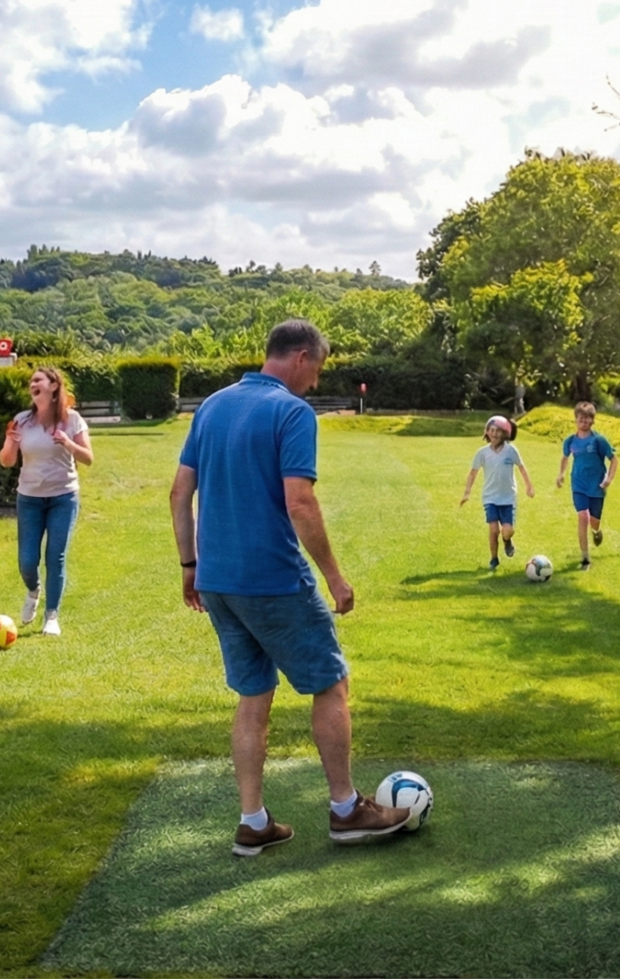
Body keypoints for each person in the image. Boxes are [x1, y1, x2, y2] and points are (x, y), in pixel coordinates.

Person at [170, 319, 411, 857]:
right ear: (301, 357)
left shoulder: (211, 406)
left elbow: (178, 493)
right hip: (273, 578)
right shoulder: (292, 412)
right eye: (317, 368)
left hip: (219, 582)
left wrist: (190, 566)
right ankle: (347, 809)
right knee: (331, 683)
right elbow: (299, 502)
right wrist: (334, 577)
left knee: (253, 694)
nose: (314, 380)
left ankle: (252, 820)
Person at [0, 365, 93, 637]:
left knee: (56, 555)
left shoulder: (72, 419)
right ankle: (33, 590)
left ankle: (51, 615)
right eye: (31, 381)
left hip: (64, 496)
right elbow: (6, 462)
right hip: (29, 498)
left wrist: (68, 444)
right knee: (27, 561)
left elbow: (88, 458)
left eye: (38, 380)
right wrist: (9, 441)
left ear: (54, 386)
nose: (33, 384)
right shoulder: (21, 421)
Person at [460, 415, 534, 571]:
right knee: (493, 530)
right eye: (491, 430)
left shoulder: (511, 451)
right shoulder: (482, 453)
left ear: (505, 433)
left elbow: (521, 467)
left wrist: (529, 487)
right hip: (490, 497)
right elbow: (473, 473)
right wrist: (467, 493)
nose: (494, 434)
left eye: (498, 431)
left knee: (507, 531)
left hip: (508, 498)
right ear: (487, 432)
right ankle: (494, 559)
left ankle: (507, 540)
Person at [554, 401, 617, 570]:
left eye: (587, 419)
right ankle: (585, 558)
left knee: (594, 522)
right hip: (579, 485)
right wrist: (561, 475)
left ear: (592, 421)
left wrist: (609, 479)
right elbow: (565, 457)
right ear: (576, 419)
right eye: (581, 419)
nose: (584, 422)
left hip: (597, 486)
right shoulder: (570, 441)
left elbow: (613, 459)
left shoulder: (598, 440)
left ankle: (596, 532)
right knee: (583, 517)